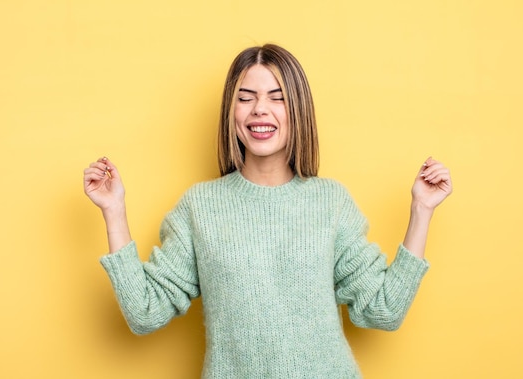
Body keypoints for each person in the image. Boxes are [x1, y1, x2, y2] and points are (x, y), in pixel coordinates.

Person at [83, 44, 452, 378]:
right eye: (246, 98)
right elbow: (145, 312)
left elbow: (384, 310)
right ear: (232, 111)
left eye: (277, 97)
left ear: (298, 110)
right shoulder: (200, 207)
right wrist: (114, 211)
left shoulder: (330, 203)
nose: (260, 108)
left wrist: (422, 210)